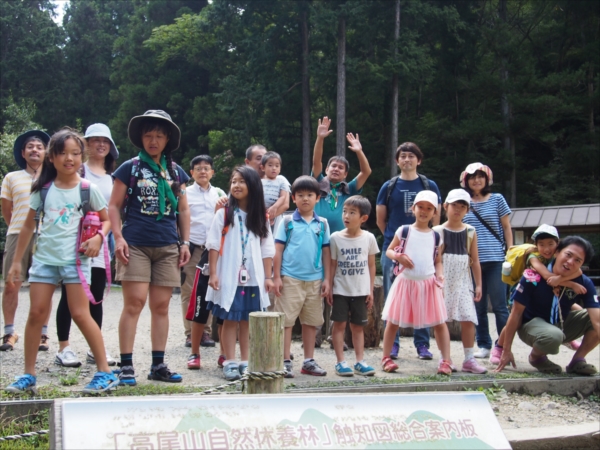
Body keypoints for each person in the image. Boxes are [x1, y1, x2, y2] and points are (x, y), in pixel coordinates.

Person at [4, 128, 118, 394]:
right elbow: (27, 228)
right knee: (35, 314)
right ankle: (28, 375)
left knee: (80, 313)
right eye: (63, 153)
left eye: (75, 154)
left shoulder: (87, 189)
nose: (70, 158)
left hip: (75, 262)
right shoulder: (42, 190)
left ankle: (105, 372)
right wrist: (16, 263)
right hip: (44, 261)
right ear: (51, 158)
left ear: (82, 157)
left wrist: (99, 239)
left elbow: (107, 219)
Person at [108, 110, 190, 386]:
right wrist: (118, 237)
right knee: (134, 303)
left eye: (158, 135)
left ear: (168, 139)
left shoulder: (176, 172)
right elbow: (114, 205)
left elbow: (183, 210)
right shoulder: (129, 168)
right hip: (136, 243)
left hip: (167, 244)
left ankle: (158, 364)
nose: (153, 140)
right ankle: (126, 365)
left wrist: (185, 242)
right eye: (148, 135)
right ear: (140, 138)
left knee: (161, 306)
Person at [54, 123, 119, 368]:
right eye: (95, 140)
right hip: (74, 239)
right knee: (71, 294)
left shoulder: (113, 178)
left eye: (106, 141)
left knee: (96, 296)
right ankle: (64, 347)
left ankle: (96, 347)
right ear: (86, 144)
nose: (101, 145)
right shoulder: (77, 170)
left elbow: (112, 213)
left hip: (101, 241)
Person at [206, 166, 275, 381]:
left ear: (253, 186)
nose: (236, 185)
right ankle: (229, 361)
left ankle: (246, 361)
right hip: (229, 276)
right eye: (233, 181)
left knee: (247, 320)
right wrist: (214, 273)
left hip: (253, 278)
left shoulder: (260, 217)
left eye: (242, 181)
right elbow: (214, 245)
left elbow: (267, 248)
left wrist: (268, 277)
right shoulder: (224, 213)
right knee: (229, 319)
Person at [376, 142, 442, 360]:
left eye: (411, 156)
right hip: (393, 247)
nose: (407, 159)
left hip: (424, 245)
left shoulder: (428, 184)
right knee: (392, 297)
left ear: (419, 160)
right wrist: (401, 243)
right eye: (402, 156)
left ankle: (422, 345)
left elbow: (437, 217)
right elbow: (380, 219)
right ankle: (392, 345)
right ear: (397, 161)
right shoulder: (389, 186)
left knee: (424, 294)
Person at [495, 236, 599, 376]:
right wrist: (506, 350)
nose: (570, 262)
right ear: (557, 252)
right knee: (553, 336)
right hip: (531, 326)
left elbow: (596, 320)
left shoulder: (583, 283)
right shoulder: (532, 276)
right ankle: (536, 358)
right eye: (568, 255)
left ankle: (577, 361)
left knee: (561, 332)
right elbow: (516, 313)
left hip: (561, 325)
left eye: (577, 260)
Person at [381, 190, 452, 375]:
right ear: (413, 208)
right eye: (421, 206)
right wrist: (398, 256)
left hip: (428, 284)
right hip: (405, 282)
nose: (424, 211)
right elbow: (389, 251)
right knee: (393, 321)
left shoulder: (436, 236)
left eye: (429, 208)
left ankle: (446, 360)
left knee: (440, 322)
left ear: (435, 212)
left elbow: (437, 260)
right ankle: (386, 357)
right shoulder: (404, 230)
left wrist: (440, 275)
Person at [273, 175, 331, 378]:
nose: (305, 199)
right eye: (300, 195)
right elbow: (278, 249)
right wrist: (277, 276)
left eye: (310, 195)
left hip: (314, 280)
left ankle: (308, 361)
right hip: (290, 278)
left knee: (311, 321)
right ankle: (284, 360)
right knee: (286, 321)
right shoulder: (287, 221)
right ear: (294, 198)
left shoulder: (322, 223)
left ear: (317, 198)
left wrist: (327, 279)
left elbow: (326, 253)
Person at [1, 130, 51, 352]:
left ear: (46, 153)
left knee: (45, 285)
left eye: (39, 147)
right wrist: (21, 230)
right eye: (30, 147)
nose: (35, 150)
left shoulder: (54, 177)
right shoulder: (11, 177)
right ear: (23, 152)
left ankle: (43, 333)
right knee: (12, 284)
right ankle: (9, 332)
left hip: (47, 235)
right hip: (17, 235)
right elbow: (7, 210)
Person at [461, 163, 512, 359]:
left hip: (496, 259)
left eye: (480, 176)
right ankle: (484, 345)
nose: (476, 180)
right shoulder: (464, 201)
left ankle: (505, 344)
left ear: (487, 179)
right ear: (466, 180)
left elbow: (506, 227)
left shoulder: (497, 199)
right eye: (472, 177)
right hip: (472, 263)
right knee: (478, 306)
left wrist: (511, 250)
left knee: (500, 306)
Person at [433, 189, 486, 374]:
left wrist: (478, 284)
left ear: (467, 210)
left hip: (463, 280)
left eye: (462, 206)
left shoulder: (470, 231)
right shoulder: (437, 231)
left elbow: (475, 260)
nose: (458, 209)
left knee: (468, 318)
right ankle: (444, 358)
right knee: (442, 320)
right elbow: (434, 259)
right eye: (454, 205)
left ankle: (469, 358)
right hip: (443, 280)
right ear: (445, 206)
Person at [327, 196, 378, 377]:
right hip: (341, 289)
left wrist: (370, 290)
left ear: (363, 218)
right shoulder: (335, 238)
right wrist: (330, 287)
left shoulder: (369, 238)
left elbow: (371, 265)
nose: (346, 216)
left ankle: (359, 361)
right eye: (344, 211)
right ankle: (340, 362)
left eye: (352, 212)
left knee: (358, 326)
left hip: (360, 290)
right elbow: (332, 264)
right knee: (339, 324)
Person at [183, 155, 226, 369]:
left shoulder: (220, 194)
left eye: (206, 168)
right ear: (191, 173)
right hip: (192, 247)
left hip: (215, 250)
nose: (202, 172)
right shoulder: (185, 193)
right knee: (190, 292)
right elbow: (178, 218)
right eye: (198, 168)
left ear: (212, 172)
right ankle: (191, 334)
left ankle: (206, 334)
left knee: (211, 292)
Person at [311, 117, 371, 234]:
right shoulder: (317, 183)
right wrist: (320, 138)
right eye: (333, 166)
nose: (336, 169)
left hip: (342, 238)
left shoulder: (349, 189)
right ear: (327, 169)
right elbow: (316, 162)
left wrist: (359, 151)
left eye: (341, 168)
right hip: (317, 235)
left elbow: (366, 172)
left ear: (345, 174)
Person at [260, 151, 291, 233]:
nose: (274, 168)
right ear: (263, 167)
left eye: (277, 166)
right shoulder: (259, 182)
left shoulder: (282, 181)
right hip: (260, 213)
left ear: (280, 168)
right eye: (270, 165)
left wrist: (275, 207)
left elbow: (283, 197)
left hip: (275, 214)